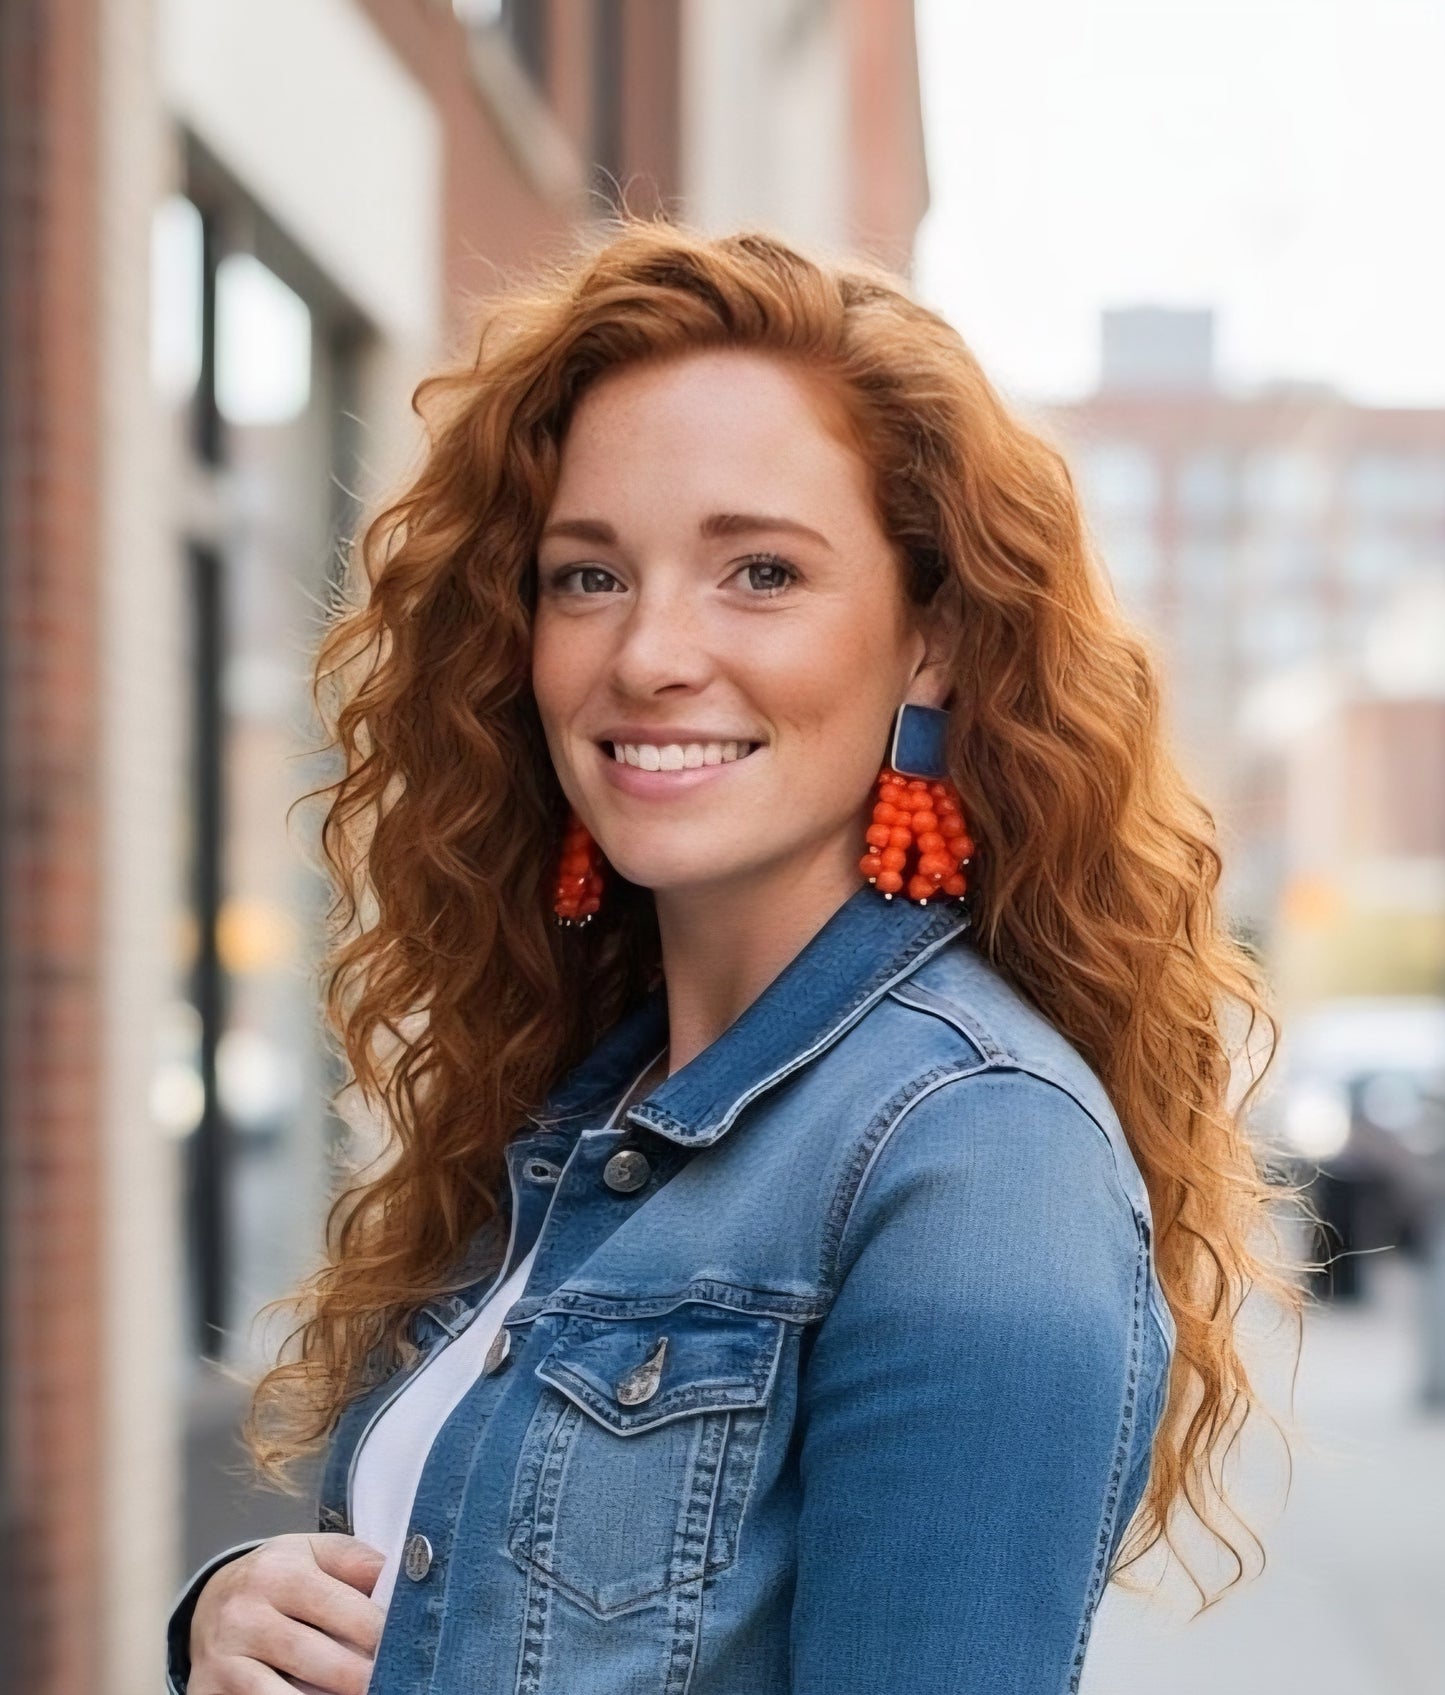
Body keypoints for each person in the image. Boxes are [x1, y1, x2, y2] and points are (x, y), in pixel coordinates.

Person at [167, 219, 1293, 1695]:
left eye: (758, 573)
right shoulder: (586, 1109)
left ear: (931, 639)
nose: (647, 654)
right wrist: (234, 1619)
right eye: (586, 577)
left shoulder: (976, 1158)